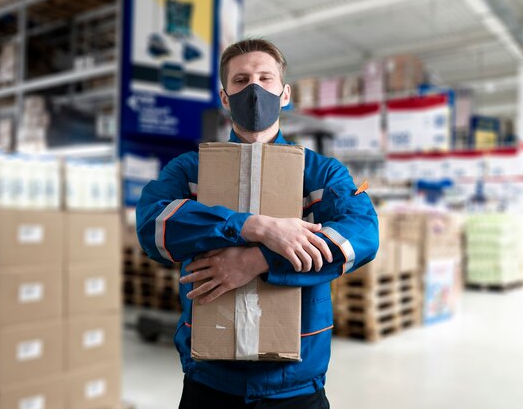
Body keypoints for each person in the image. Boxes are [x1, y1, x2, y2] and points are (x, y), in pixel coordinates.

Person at [136, 38, 379, 409]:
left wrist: (259, 261)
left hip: (296, 383)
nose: (254, 89)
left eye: (266, 79)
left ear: (284, 94)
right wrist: (254, 227)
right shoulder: (190, 169)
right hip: (210, 379)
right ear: (224, 96)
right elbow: (152, 227)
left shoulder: (320, 173)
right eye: (241, 80)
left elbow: (362, 235)